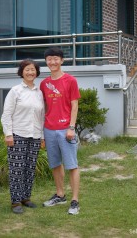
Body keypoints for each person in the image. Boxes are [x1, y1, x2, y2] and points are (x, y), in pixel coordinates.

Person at [40, 47, 81, 215]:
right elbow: (42, 108)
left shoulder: (70, 80)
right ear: (46, 62)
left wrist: (71, 127)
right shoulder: (43, 84)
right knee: (55, 164)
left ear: (62, 61)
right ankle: (60, 194)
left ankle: (75, 201)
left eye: (56, 58)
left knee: (72, 165)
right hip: (49, 129)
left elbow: (74, 105)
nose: (52, 62)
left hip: (66, 129)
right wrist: (42, 134)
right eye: (49, 59)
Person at [1, 59, 45, 214]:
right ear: (22, 72)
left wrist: (42, 137)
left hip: (34, 136)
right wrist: (8, 134)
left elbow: (41, 117)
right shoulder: (15, 91)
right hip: (17, 135)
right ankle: (15, 201)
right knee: (16, 170)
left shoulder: (39, 93)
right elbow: (6, 115)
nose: (30, 72)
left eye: (33, 69)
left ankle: (26, 198)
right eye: (27, 69)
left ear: (36, 72)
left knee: (29, 168)